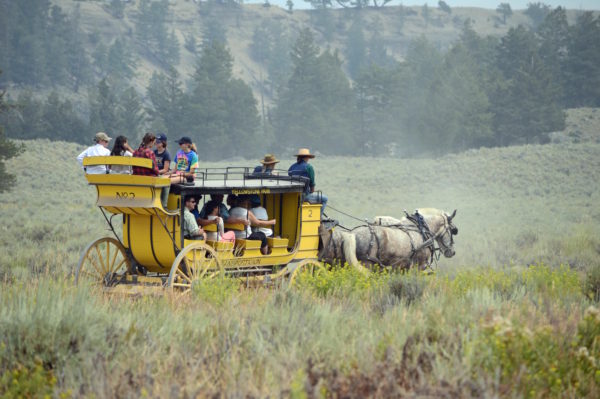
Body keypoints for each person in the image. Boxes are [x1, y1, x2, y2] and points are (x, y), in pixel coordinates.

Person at [288, 148, 328, 218]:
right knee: (324, 199)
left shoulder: (292, 167)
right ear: (307, 157)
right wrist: (311, 191)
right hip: (304, 196)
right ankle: (318, 219)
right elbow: (312, 184)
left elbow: (289, 175)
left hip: (293, 195)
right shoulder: (309, 167)